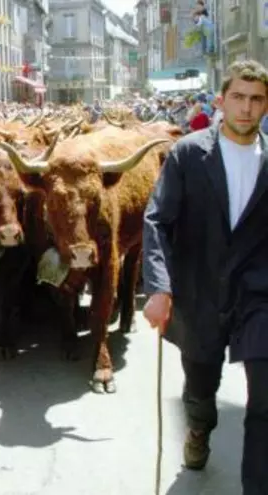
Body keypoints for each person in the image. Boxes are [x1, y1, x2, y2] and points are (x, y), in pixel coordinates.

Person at [143, 60, 268, 494]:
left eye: (256, 99)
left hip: (257, 295)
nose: (246, 108)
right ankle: (199, 427)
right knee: (201, 381)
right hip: (199, 290)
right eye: (238, 97)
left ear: (266, 105)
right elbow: (157, 220)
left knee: (265, 397)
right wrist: (159, 286)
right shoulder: (189, 154)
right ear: (221, 100)